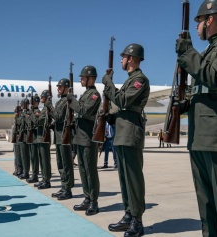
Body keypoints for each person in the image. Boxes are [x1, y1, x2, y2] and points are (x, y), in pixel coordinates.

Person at [175, 0, 217, 236]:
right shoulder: (207, 51)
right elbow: (204, 87)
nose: (197, 27)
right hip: (199, 133)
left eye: (199, 21)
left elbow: (214, 77)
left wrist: (187, 52)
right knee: (206, 204)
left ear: (211, 19)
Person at [102, 43, 149, 236]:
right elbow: (122, 106)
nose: (121, 60)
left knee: (133, 178)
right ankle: (129, 214)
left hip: (130, 134)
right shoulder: (130, 80)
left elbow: (122, 101)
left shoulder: (139, 80)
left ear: (130, 58)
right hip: (122, 133)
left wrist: (108, 84)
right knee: (124, 179)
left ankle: (137, 221)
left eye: (123, 57)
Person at [67, 65, 101, 216]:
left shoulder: (94, 95)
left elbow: (85, 111)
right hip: (80, 138)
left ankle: (94, 201)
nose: (80, 79)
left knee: (90, 171)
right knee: (82, 169)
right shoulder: (86, 94)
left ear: (91, 78)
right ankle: (87, 198)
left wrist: (72, 100)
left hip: (88, 138)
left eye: (83, 77)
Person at [45, 78, 74, 200]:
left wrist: (49, 106)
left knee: (66, 163)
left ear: (66, 88)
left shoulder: (66, 101)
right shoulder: (60, 101)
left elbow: (58, 116)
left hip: (63, 136)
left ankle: (67, 189)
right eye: (58, 87)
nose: (58, 89)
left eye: (60, 87)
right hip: (58, 136)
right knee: (60, 163)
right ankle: (63, 186)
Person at [34, 90, 52, 189]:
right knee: (42, 159)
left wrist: (35, 117)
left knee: (45, 160)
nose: (41, 98)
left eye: (42, 96)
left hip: (44, 136)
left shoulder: (46, 109)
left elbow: (39, 121)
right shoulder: (44, 108)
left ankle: (47, 180)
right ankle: (44, 179)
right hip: (40, 137)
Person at [26, 94, 41, 183]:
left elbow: (35, 122)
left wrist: (31, 114)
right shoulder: (31, 112)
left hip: (35, 138)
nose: (32, 104)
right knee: (32, 157)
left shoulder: (37, 112)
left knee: (35, 157)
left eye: (33, 102)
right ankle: (33, 174)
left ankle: (35, 175)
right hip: (31, 137)